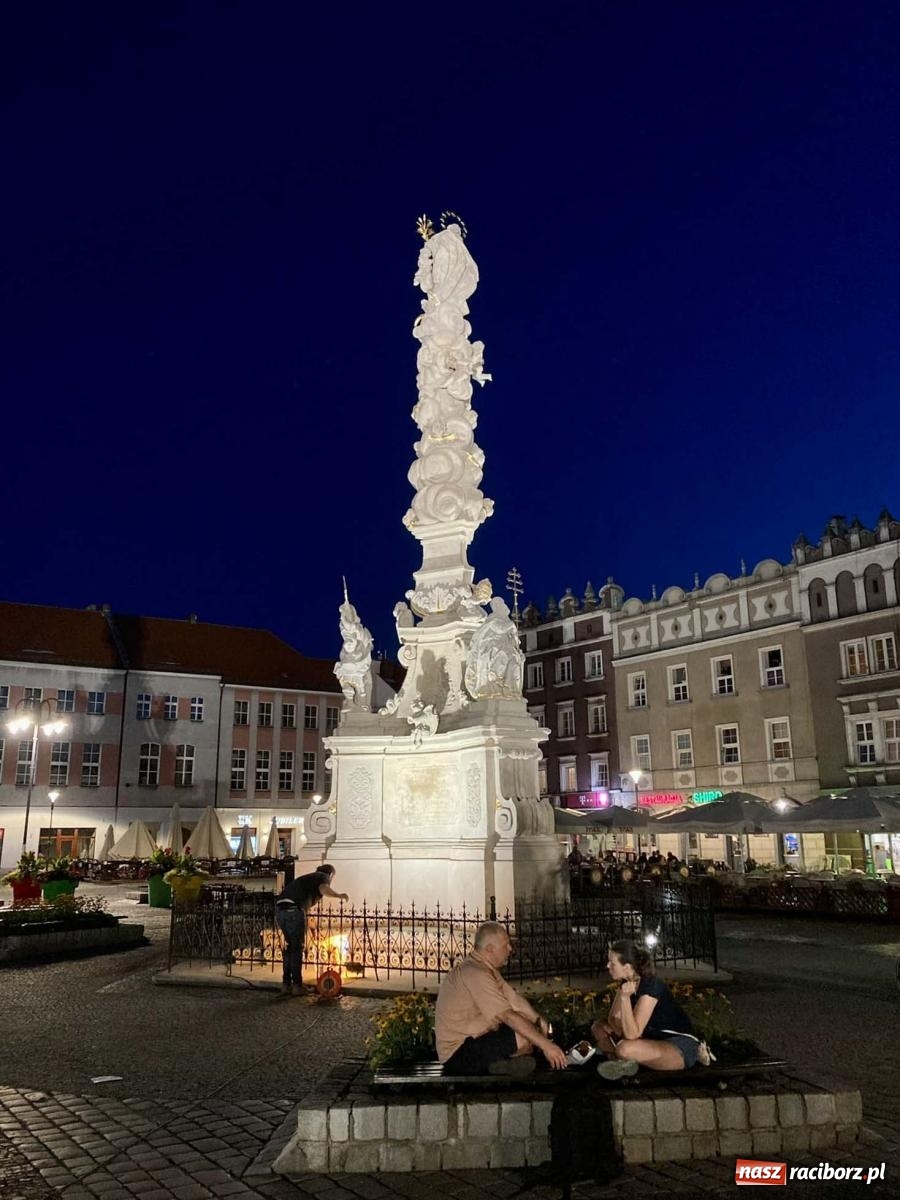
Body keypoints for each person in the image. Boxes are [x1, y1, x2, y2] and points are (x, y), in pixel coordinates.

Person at [436, 921, 568, 1076]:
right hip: (458, 1055)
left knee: (528, 1028)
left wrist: (540, 1021)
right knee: (524, 1035)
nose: (510, 949)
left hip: (473, 1042)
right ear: (490, 949)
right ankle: (501, 1063)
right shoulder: (475, 973)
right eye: (506, 945)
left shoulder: (485, 969)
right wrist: (546, 1045)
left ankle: (501, 1064)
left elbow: (515, 1000)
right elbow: (507, 1015)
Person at [590, 939, 700, 1079]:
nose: (608, 966)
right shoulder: (627, 982)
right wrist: (621, 1029)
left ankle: (624, 1062)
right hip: (649, 1040)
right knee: (598, 1027)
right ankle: (618, 1065)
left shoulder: (650, 986)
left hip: (678, 1046)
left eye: (612, 963)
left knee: (625, 1048)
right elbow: (613, 1019)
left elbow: (632, 1034)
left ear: (627, 967)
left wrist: (625, 999)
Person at [275, 863, 348, 996]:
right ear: (331, 874)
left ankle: (286, 985)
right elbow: (324, 888)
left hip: (280, 911)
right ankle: (297, 986)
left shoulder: (308, 879)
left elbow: (304, 908)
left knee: (290, 948)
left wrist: (312, 929)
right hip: (293, 910)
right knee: (297, 948)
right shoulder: (323, 876)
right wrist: (339, 895)